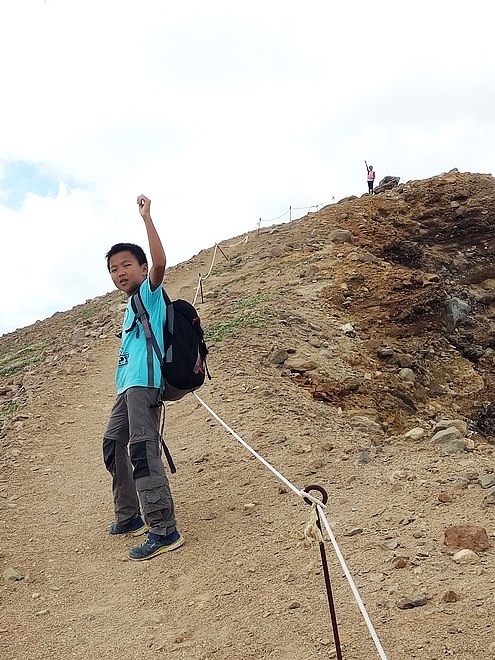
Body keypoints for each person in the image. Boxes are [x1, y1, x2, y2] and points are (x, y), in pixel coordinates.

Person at [102, 194, 184, 561]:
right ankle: (129, 515)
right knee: (111, 443)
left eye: (126, 266)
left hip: (144, 387)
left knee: (142, 451)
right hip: (126, 389)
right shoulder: (129, 307)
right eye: (113, 269)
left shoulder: (149, 294)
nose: (120, 273)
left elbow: (162, 262)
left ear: (141, 267)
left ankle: (163, 529)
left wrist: (147, 218)